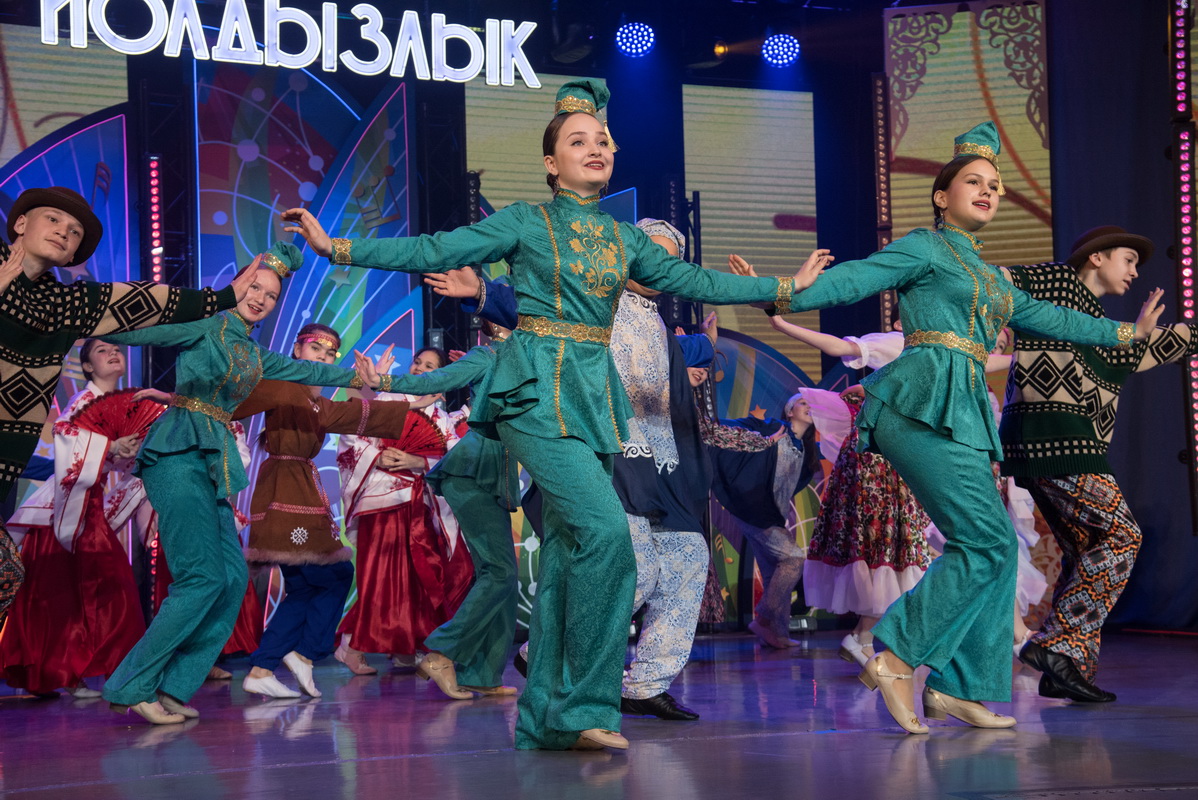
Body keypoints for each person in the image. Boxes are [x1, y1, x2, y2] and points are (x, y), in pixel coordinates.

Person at [281, 79, 825, 751]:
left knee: (571, 556)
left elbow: (700, 282)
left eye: (603, 140)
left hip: (593, 401)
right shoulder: (526, 221)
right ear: (550, 162)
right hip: (533, 390)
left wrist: (785, 287)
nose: (595, 148)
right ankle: (585, 707)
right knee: (609, 536)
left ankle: (544, 719)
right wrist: (335, 247)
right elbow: (433, 249)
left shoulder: (623, 240)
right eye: (577, 140)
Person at [735, 122, 1161, 733]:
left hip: (963, 412)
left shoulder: (990, 278)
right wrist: (782, 293)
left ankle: (959, 687)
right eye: (974, 182)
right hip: (918, 402)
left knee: (995, 548)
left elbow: (1054, 319)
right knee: (985, 543)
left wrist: (1125, 333)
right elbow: (855, 278)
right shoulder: (925, 248)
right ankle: (895, 656)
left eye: (995, 184)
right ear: (942, 196)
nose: (988, 191)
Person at [98, 242, 383, 725]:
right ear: (237, 285)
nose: (261, 299)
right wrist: (76, 317)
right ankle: (132, 686)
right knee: (202, 578)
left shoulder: (254, 353)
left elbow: (308, 371)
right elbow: (144, 329)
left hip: (212, 463)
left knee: (232, 581)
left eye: (271, 296)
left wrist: (369, 379)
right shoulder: (206, 324)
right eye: (255, 287)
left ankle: (173, 687)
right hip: (177, 453)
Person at [0, 186, 254, 624]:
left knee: (8, 576)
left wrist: (223, 297)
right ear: (21, 223)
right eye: (53, 219)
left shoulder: (64, 304)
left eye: (75, 231)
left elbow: (142, 300)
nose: (64, 232)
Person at [1001, 226, 1197, 702]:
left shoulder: (1105, 330)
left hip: (1056, 444)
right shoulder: (1057, 283)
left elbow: (1153, 346)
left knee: (1087, 550)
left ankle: (1068, 671)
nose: (1134, 272)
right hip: (1055, 438)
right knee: (1122, 536)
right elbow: (992, 279)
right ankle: (1056, 646)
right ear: (1095, 258)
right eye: (1128, 259)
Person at [232, 323, 412, 699]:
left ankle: (264, 667)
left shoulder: (315, 402)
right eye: (316, 350)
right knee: (335, 574)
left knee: (304, 588)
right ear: (297, 351)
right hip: (287, 493)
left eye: (330, 354)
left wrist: (381, 386)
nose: (324, 358)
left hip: (294, 489)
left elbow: (361, 414)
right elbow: (237, 397)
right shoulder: (285, 385)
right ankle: (305, 654)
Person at [0, 340, 145, 697]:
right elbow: (66, 436)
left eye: (116, 349)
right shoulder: (83, 402)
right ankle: (72, 674)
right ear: (88, 368)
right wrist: (110, 447)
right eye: (101, 351)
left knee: (110, 591)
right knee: (64, 597)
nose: (113, 353)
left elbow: (118, 463)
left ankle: (109, 673)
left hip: (89, 507)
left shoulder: (125, 406)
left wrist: (126, 454)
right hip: (63, 509)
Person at [333, 346, 473, 676]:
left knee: (415, 580)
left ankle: (404, 646)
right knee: (380, 578)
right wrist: (375, 456)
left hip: (419, 504)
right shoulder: (388, 399)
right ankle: (351, 646)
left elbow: (453, 459)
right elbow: (351, 435)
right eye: (417, 362)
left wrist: (419, 461)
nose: (420, 368)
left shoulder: (443, 420)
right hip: (380, 500)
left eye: (430, 366)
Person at [707, 390, 820, 650]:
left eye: (811, 404)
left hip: (771, 512)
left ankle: (777, 634)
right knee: (794, 558)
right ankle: (764, 617)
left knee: (773, 571)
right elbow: (735, 427)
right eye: (802, 403)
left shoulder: (806, 450)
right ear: (789, 412)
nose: (809, 407)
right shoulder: (772, 428)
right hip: (752, 506)